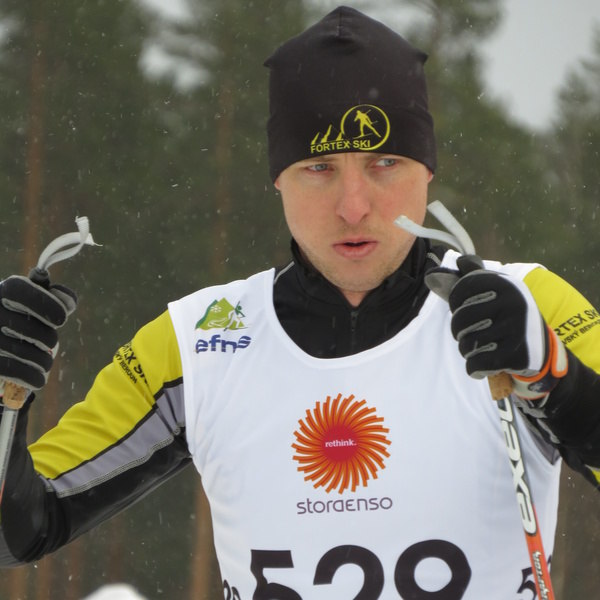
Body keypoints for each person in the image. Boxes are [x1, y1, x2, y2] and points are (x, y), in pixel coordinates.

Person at [1, 5, 599, 597]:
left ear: (427, 171)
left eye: (384, 162)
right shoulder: (196, 343)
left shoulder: (524, 306)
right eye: (318, 167)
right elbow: (19, 530)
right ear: (278, 178)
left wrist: (555, 376)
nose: (353, 207)